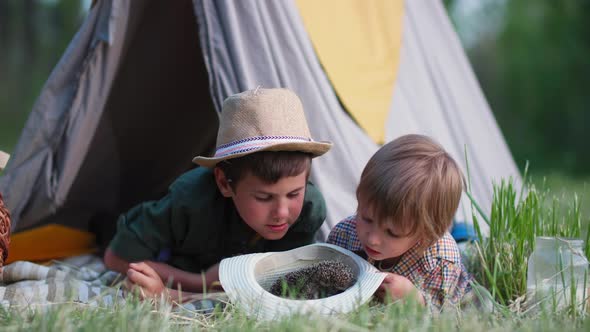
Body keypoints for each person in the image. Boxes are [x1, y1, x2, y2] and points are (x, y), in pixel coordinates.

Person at [103, 88, 332, 301]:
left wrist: (189, 290)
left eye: (294, 193)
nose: (282, 213)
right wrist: (201, 282)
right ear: (224, 182)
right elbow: (116, 258)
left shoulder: (309, 209)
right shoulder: (190, 199)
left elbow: (279, 286)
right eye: (264, 197)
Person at [327, 134, 472, 312]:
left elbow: (446, 315)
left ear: (425, 236)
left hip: (455, 262)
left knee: (467, 249)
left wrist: (415, 300)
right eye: (366, 218)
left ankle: (464, 235)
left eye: (392, 232)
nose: (372, 239)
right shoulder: (344, 235)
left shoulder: (442, 263)